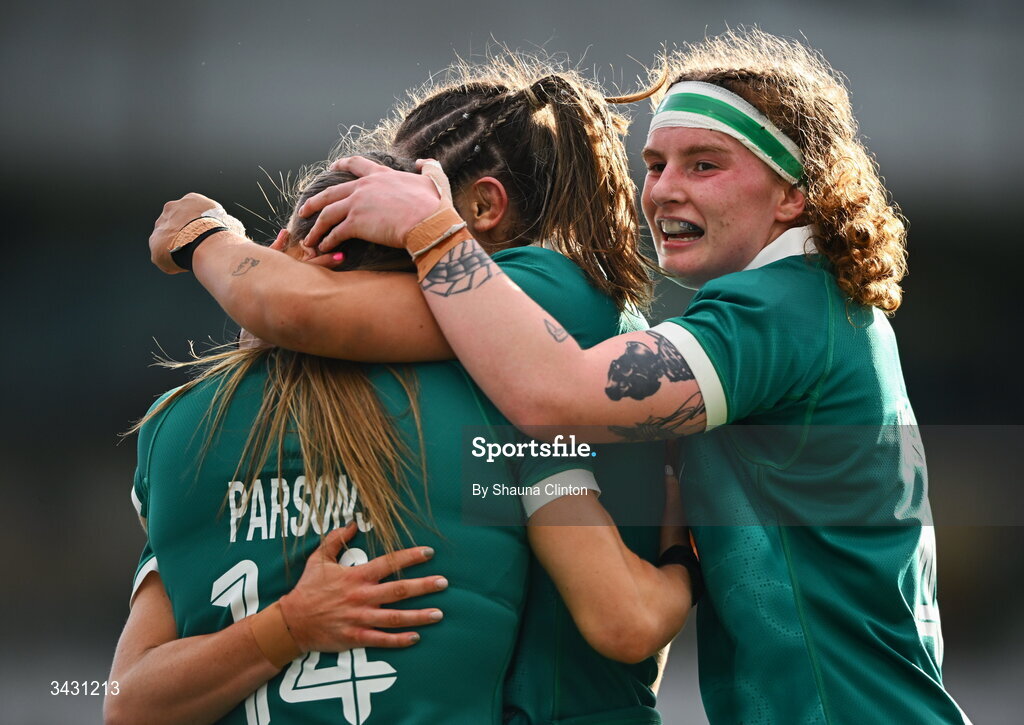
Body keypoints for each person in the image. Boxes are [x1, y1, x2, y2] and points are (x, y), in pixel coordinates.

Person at [291, 30, 971, 724]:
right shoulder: (811, 303)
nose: (663, 190)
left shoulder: (779, 307)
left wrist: (431, 230)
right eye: (654, 163)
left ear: (794, 195)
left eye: (704, 164)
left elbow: (553, 397)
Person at [146, 57, 685, 725]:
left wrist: (208, 235)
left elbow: (294, 306)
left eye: (402, 199)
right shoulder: (455, 367)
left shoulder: (550, 293)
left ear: (484, 206)